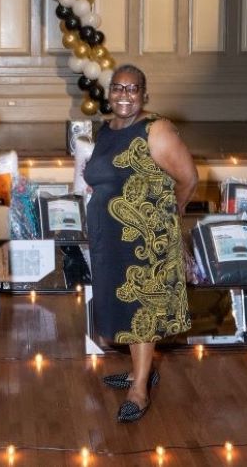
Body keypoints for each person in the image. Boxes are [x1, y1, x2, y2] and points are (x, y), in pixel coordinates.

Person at [83, 64, 198, 422]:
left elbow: (189, 179)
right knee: (122, 305)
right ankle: (139, 370)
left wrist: (166, 213)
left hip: (145, 238)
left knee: (141, 309)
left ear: (144, 95)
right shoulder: (107, 129)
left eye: (132, 89)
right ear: (109, 92)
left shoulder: (156, 130)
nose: (124, 95)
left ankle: (139, 391)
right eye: (118, 88)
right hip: (110, 237)